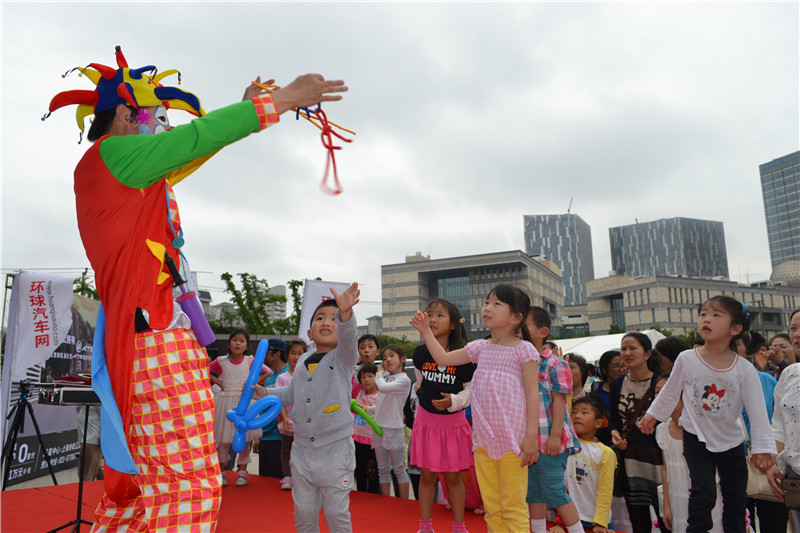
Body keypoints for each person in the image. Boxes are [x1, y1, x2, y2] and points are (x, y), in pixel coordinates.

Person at [46, 45, 347, 529]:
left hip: (149, 335)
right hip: (155, 340)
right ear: (126, 114)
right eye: (157, 116)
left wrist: (247, 109)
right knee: (186, 484)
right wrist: (281, 100)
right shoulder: (113, 156)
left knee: (145, 490)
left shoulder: (122, 170)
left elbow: (193, 148)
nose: (164, 127)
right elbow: (194, 139)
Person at [639, 296, 777, 533]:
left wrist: (763, 448)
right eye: (703, 314)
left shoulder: (744, 368)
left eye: (716, 315)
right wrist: (652, 415)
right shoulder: (687, 359)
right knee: (703, 492)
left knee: (735, 497)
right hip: (696, 436)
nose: (706, 319)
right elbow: (670, 391)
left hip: (732, 441)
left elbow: (757, 411)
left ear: (735, 328)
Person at [410, 284, 540, 532]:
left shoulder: (524, 350)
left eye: (496, 304)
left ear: (515, 318)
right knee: (492, 506)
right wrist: (425, 331)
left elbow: (533, 394)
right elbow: (443, 359)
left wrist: (531, 437)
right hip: (483, 441)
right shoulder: (480, 347)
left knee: (513, 506)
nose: (487, 308)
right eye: (486, 302)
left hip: (513, 441)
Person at [253, 283, 360, 533]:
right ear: (310, 333)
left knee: (336, 514)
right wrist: (266, 393)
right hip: (301, 449)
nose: (327, 322)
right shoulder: (302, 360)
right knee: (303, 513)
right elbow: (292, 393)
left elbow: (348, 338)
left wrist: (346, 314)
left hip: (335, 449)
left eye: (333, 319)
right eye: (320, 318)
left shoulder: (343, 358)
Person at [411, 298, 475, 533]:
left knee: (453, 478)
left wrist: (453, 402)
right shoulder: (420, 353)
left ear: (453, 324)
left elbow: (471, 391)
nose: (432, 319)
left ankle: (459, 527)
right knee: (427, 477)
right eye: (429, 314)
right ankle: (425, 527)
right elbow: (420, 383)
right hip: (426, 423)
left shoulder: (465, 356)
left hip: (453, 424)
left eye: (439, 315)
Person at [524, 307, 582, 533]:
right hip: (529, 441)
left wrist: (555, 436)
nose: (519, 330)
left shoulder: (555, 364)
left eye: (525, 325)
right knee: (533, 492)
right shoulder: (520, 362)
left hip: (551, 440)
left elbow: (559, 402)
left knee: (554, 490)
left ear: (543, 332)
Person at [608, 332, 665, 533]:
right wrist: (614, 433)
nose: (627, 353)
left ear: (647, 353)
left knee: (665, 517)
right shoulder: (617, 383)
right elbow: (614, 418)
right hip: (630, 460)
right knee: (638, 520)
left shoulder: (660, 383)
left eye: (633, 348)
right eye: (624, 349)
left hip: (658, 458)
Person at [653, 372, 723, 532]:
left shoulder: (706, 427)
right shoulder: (663, 430)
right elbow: (666, 470)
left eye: (667, 391)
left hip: (709, 499)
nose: (661, 397)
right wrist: (667, 507)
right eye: (657, 392)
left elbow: (724, 468)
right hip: (678, 499)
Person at [738, 334, 786, 532]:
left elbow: (781, 423)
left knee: (775, 523)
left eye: (735, 344)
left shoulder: (767, 381)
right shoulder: (715, 384)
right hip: (734, 467)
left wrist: (775, 459)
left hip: (769, 464)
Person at [209, 329, 269, 487]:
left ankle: (242, 473)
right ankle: (222, 474)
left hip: (244, 401)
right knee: (223, 440)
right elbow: (205, 369)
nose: (238, 343)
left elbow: (267, 371)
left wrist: (252, 383)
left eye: (242, 341)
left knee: (245, 439)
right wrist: (218, 382)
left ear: (246, 346)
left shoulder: (250, 361)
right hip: (225, 403)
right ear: (229, 343)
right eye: (235, 340)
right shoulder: (221, 361)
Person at [549, 395, 617, 533]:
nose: (577, 416)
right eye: (574, 412)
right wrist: (560, 523)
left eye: (584, 412)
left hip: (593, 518)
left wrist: (601, 523)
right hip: (565, 516)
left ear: (598, 423)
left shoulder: (606, 453)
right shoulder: (566, 444)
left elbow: (606, 490)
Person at [371, 345, 412, 498]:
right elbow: (383, 403)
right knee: (382, 469)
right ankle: (385, 502)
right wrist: (368, 409)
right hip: (379, 428)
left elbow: (382, 388)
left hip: (394, 429)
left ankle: (404, 502)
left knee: (399, 468)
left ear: (403, 359)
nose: (387, 360)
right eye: (384, 358)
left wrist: (379, 373)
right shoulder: (386, 379)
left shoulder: (404, 380)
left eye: (391, 356)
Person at [255, 338, 289, 479]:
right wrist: (258, 436)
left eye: (266, 352)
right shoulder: (270, 377)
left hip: (280, 436)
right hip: (266, 435)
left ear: (277, 354)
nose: (262, 356)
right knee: (265, 481)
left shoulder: (289, 375)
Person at [277, 339, 307, 491]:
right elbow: (279, 401)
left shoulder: (309, 376)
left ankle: (302, 478)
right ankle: (287, 476)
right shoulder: (282, 378)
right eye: (293, 353)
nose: (296, 357)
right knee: (286, 450)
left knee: (304, 451)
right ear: (287, 355)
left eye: (300, 354)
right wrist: (284, 417)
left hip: (305, 422)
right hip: (288, 420)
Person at [353, 362, 381, 494]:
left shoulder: (381, 396)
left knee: (372, 470)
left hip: (372, 440)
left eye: (370, 376)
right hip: (357, 437)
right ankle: (361, 493)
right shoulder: (360, 393)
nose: (366, 380)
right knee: (359, 469)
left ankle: (373, 495)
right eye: (363, 377)